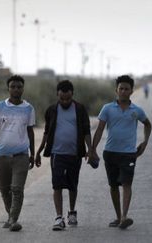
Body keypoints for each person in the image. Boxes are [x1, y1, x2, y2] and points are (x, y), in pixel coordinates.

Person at [90, 75, 152, 229]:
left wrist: (144, 142)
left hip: (129, 154)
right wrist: (92, 150)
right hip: (110, 152)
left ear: (132, 91)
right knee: (113, 185)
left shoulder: (136, 110)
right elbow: (99, 130)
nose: (123, 91)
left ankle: (124, 216)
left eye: (127, 89)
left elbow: (147, 124)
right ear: (116, 90)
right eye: (121, 88)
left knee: (126, 183)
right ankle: (118, 217)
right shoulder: (107, 108)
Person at [35, 80, 92, 230]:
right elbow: (47, 132)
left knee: (73, 185)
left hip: (75, 154)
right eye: (62, 98)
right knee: (57, 185)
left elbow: (86, 131)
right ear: (57, 95)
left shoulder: (80, 109)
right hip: (57, 154)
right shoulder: (51, 110)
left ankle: (72, 212)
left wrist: (90, 149)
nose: (65, 101)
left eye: (68, 98)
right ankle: (59, 217)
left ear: (72, 94)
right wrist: (39, 151)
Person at [0, 75, 37, 231]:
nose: (16, 89)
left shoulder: (29, 108)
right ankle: (10, 215)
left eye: (19, 86)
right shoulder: (0, 106)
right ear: (8, 88)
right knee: (4, 189)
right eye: (13, 86)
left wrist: (32, 154)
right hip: (2, 155)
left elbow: (30, 132)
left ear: (23, 88)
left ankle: (13, 220)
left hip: (21, 155)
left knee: (17, 189)